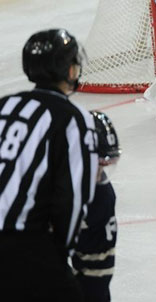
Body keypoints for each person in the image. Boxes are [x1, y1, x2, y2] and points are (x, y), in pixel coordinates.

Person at [0, 29, 98, 302]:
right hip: (23, 245)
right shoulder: (72, 117)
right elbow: (73, 196)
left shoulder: (5, 105)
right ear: (68, 70)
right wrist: (57, 254)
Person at [72, 110, 121, 302]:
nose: (99, 173)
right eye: (94, 165)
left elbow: (96, 276)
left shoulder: (101, 197)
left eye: (104, 165)